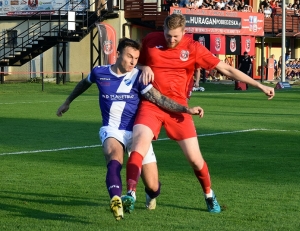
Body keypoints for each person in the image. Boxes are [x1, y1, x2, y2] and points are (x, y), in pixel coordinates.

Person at [124, 14, 275, 214]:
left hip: (179, 110)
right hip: (151, 105)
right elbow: (136, 62)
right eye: (168, 35)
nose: (171, 40)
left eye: (175, 36)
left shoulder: (193, 48)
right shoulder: (151, 40)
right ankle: (130, 194)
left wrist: (258, 85)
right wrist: (144, 66)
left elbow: (225, 69)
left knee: (195, 160)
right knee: (139, 144)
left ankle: (209, 195)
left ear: (184, 32)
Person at [56, 38, 204, 220]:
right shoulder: (99, 72)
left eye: (136, 58)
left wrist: (185, 109)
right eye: (129, 56)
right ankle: (116, 201)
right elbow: (84, 83)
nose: (133, 62)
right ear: (118, 54)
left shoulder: (138, 77)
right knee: (114, 157)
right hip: (112, 129)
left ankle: (152, 194)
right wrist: (67, 102)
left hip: (138, 133)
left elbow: (160, 99)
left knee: (153, 185)